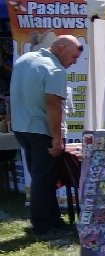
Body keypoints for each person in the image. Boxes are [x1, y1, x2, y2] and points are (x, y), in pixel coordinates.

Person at [9, 34, 81, 239]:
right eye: (73, 56)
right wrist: (57, 138)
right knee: (44, 180)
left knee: (42, 177)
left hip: (22, 128)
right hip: (41, 130)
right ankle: (42, 227)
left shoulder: (24, 59)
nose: (74, 62)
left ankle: (52, 221)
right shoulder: (55, 70)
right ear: (60, 47)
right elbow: (52, 104)